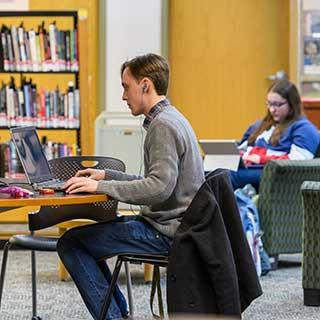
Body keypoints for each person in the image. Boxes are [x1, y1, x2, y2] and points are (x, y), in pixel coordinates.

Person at [57, 53, 205, 320]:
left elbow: (159, 188)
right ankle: (118, 314)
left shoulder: (163, 126)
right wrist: (104, 176)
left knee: (71, 243)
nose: (124, 96)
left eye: (126, 87)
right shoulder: (172, 118)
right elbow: (155, 182)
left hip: (167, 233)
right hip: (177, 226)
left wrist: (100, 187)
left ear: (145, 85)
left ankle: (114, 316)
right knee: (84, 241)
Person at [230, 78, 320, 191]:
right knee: (212, 174)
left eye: (278, 105)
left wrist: (261, 159)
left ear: (292, 104)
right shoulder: (259, 125)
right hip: (248, 168)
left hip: (275, 175)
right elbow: (243, 147)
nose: (272, 110)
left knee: (227, 177)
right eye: (269, 104)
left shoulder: (304, 129)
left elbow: (298, 162)